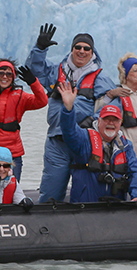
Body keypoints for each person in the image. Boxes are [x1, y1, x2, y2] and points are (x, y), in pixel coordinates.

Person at [25, 24, 116, 201]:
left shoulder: (100, 78)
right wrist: (40, 48)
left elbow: (112, 107)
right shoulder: (56, 71)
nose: (81, 51)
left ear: (92, 52)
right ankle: (48, 222)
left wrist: (92, 121)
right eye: (78, 47)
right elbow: (33, 70)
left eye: (86, 48)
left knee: (86, 188)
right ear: (72, 49)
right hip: (57, 139)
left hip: (84, 140)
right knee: (51, 187)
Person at [57, 81, 137, 203]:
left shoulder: (125, 145)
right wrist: (68, 108)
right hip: (86, 204)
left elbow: (134, 172)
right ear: (98, 121)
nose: (111, 123)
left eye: (115, 120)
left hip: (115, 206)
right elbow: (68, 131)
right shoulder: (84, 138)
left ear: (120, 123)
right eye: (106, 119)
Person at [0, 59, 48, 181]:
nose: (5, 77)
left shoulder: (20, 95)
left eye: (9, 74)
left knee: (11, 191)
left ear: (13, 77)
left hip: (13, 154)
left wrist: (33, 82)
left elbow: (42, 101)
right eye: (0, 73)